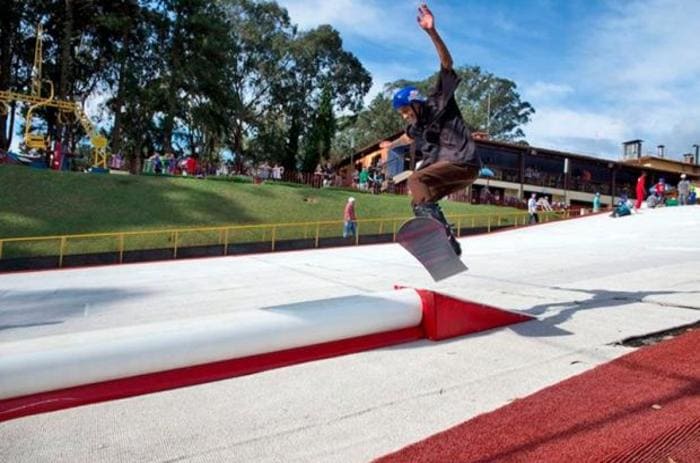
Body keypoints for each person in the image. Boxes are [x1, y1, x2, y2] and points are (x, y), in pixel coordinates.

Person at [379, 3, 480, 256]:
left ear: (415, 102)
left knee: (416, 178)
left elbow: (447, 64)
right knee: (419, 198)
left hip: (462, 160)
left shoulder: (438, 100)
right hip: (460, 172)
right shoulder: (417, 126)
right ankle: (450, 244)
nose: (405, 117)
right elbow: (406, 136)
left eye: (406, 111)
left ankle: (440, 233)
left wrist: (432, 33)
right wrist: (388, 147)